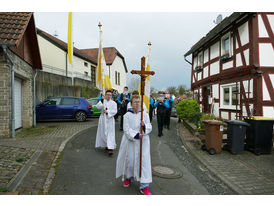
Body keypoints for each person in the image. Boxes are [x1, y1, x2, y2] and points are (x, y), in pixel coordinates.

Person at [116, 95, 153, 195]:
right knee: (130, 161)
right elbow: (126, 129)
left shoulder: (144, 114)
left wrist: (144, 126)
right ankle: (129, 177)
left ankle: (144, 186)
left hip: (143, 142)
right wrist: (135, 135)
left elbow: (149, 126)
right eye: (135, 102)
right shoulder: (127, 115)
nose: (137, 103)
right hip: (131, 142)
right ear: (131, 104)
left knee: (143, 163)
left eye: (138, 102)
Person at [95, 90, 117, 156]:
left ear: (111, 96)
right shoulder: (103, 101)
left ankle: (110, 148)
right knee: (104, 133)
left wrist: (107, 111)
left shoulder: (113, 103)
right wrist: (101, 100)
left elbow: (115, 111)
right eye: (107, 94)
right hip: (103, 119)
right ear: (105, 95)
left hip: (110, 119)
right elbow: (98, 107)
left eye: (110, 95)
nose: (108, 96)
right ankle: (106, 146)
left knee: (110, 133)